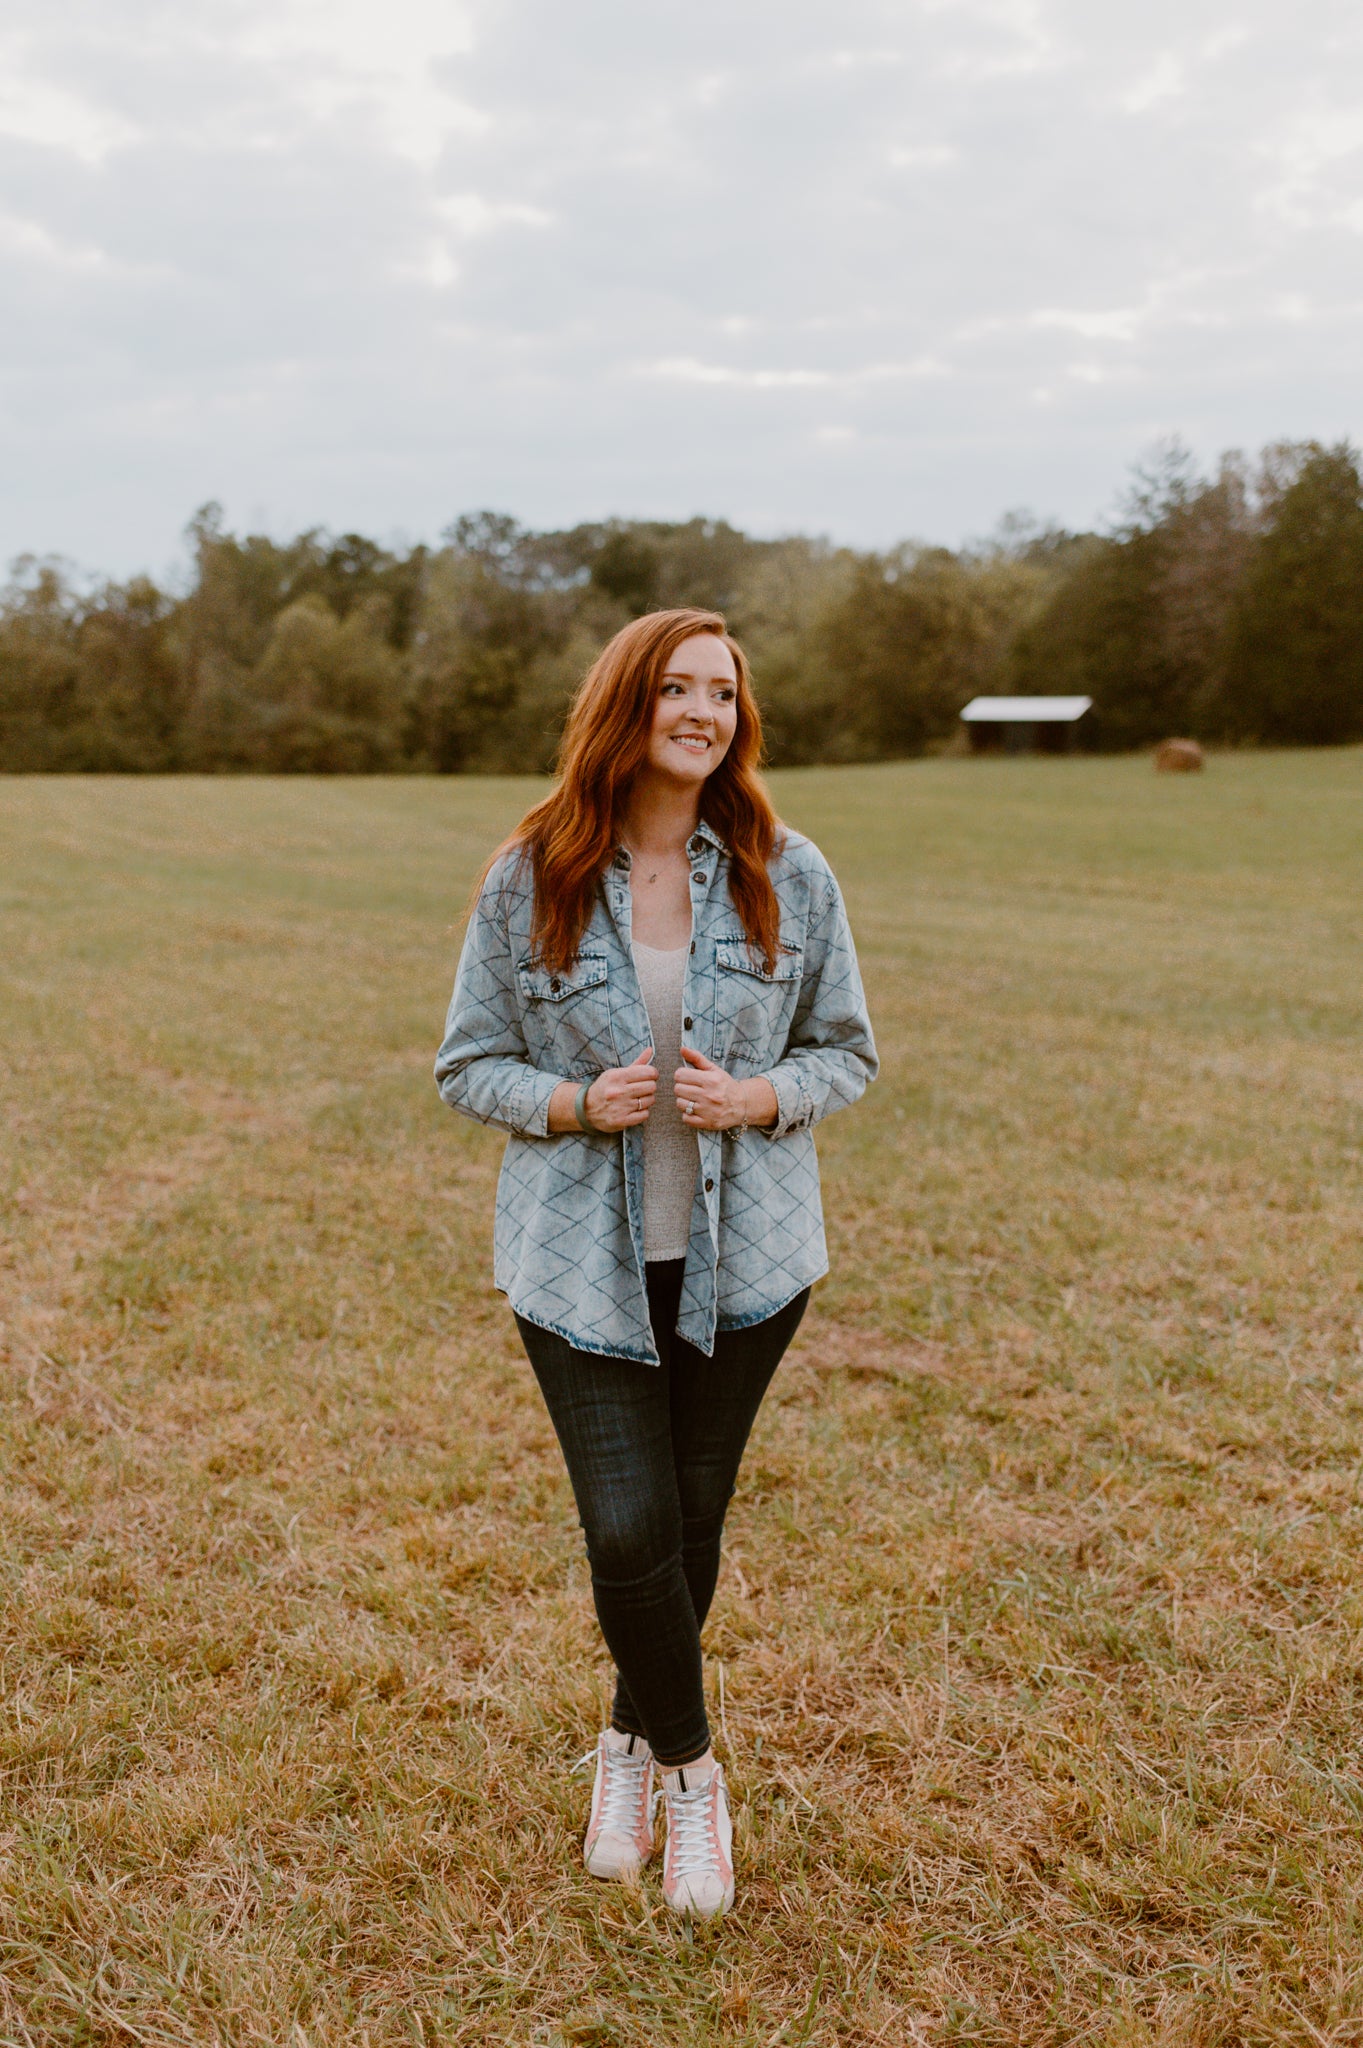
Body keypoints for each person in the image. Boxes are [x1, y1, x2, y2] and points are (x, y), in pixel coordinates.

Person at [435, 607, 877, 1918]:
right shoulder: (533, 875)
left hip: (747, 1264)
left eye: (722, 695)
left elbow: (848, 1051)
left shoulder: (790, 874)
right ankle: (693, 1778)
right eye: (676, 688)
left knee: (689, 1527)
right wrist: (576, 1103)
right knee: (627, 1526)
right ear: (626, 705)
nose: (700, 713)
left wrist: (763, 1098)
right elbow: (465, 1064)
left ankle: (626, 1747)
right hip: (583, 1270)